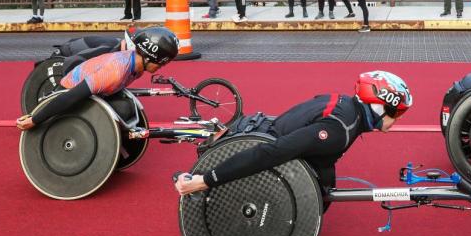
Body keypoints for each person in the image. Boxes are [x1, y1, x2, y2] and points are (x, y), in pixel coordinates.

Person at [174, 70, 413, 197]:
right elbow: (273, 152)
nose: (396, 121)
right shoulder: (340, 130)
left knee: (326, 180)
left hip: (264, 127)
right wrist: (206, 180)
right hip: (259, 144)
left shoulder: (344, 103)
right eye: (397, 114)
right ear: (379, 107)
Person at [16, 27, 179, 131]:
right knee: (120, 110)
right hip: (67, 92)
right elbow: (71, 96)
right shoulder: (114, 72)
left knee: (125, 109)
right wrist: (35, 119)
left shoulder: (137, 67)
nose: (161, 68)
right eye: (161, 64)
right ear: (149, 57)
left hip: (94, 92)